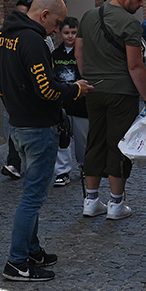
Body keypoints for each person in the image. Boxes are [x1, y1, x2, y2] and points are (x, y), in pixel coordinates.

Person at [0, 0, 92, 281]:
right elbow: (46, 89)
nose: (57, 30)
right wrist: (75, 89)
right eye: (57, 23)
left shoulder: (2, 36)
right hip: (37, 126)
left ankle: (32, 250)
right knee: (33, 197)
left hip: (19, 123)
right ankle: (17, 262)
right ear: (45, 15)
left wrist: (13, 107)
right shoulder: (33, 41)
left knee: (31, 192)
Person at [77, 0, 146, 219]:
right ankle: (116, 205)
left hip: (93, 89)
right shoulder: (130, 24)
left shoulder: (88, 16)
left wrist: (87, 77)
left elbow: (79, 53)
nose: (142, 4)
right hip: (121, 91)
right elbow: (136, 66)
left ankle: (90, 201)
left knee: (95, 141)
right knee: (119, 144)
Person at [52, 17, 88, 188]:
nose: (70, 36)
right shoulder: (55, 55)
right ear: (60, 33)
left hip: (81, 104)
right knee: (62, 139)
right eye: (66, 33)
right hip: (62, 103)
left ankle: (85, 166)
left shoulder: (84, 53)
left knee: (83, 139)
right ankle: (62, 171)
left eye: (74, 33)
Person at [0, 0, 32, 180]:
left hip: (31, 90)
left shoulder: (37, 37)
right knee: (14, 125)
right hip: (13, 88)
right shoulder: (5, 37)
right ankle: (14, 162)